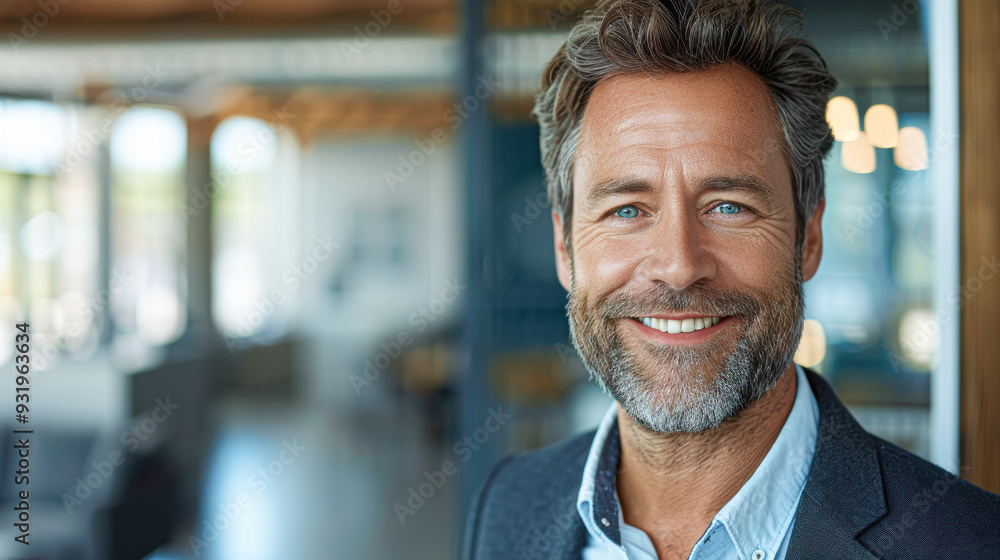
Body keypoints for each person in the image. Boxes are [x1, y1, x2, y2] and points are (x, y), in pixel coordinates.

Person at [461, 0, 1000, 558]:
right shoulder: (509, 504)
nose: (678, 265)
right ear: (563, 246)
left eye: (728, 207)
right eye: (626, 210)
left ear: (807, 237)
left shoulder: (971, 542)